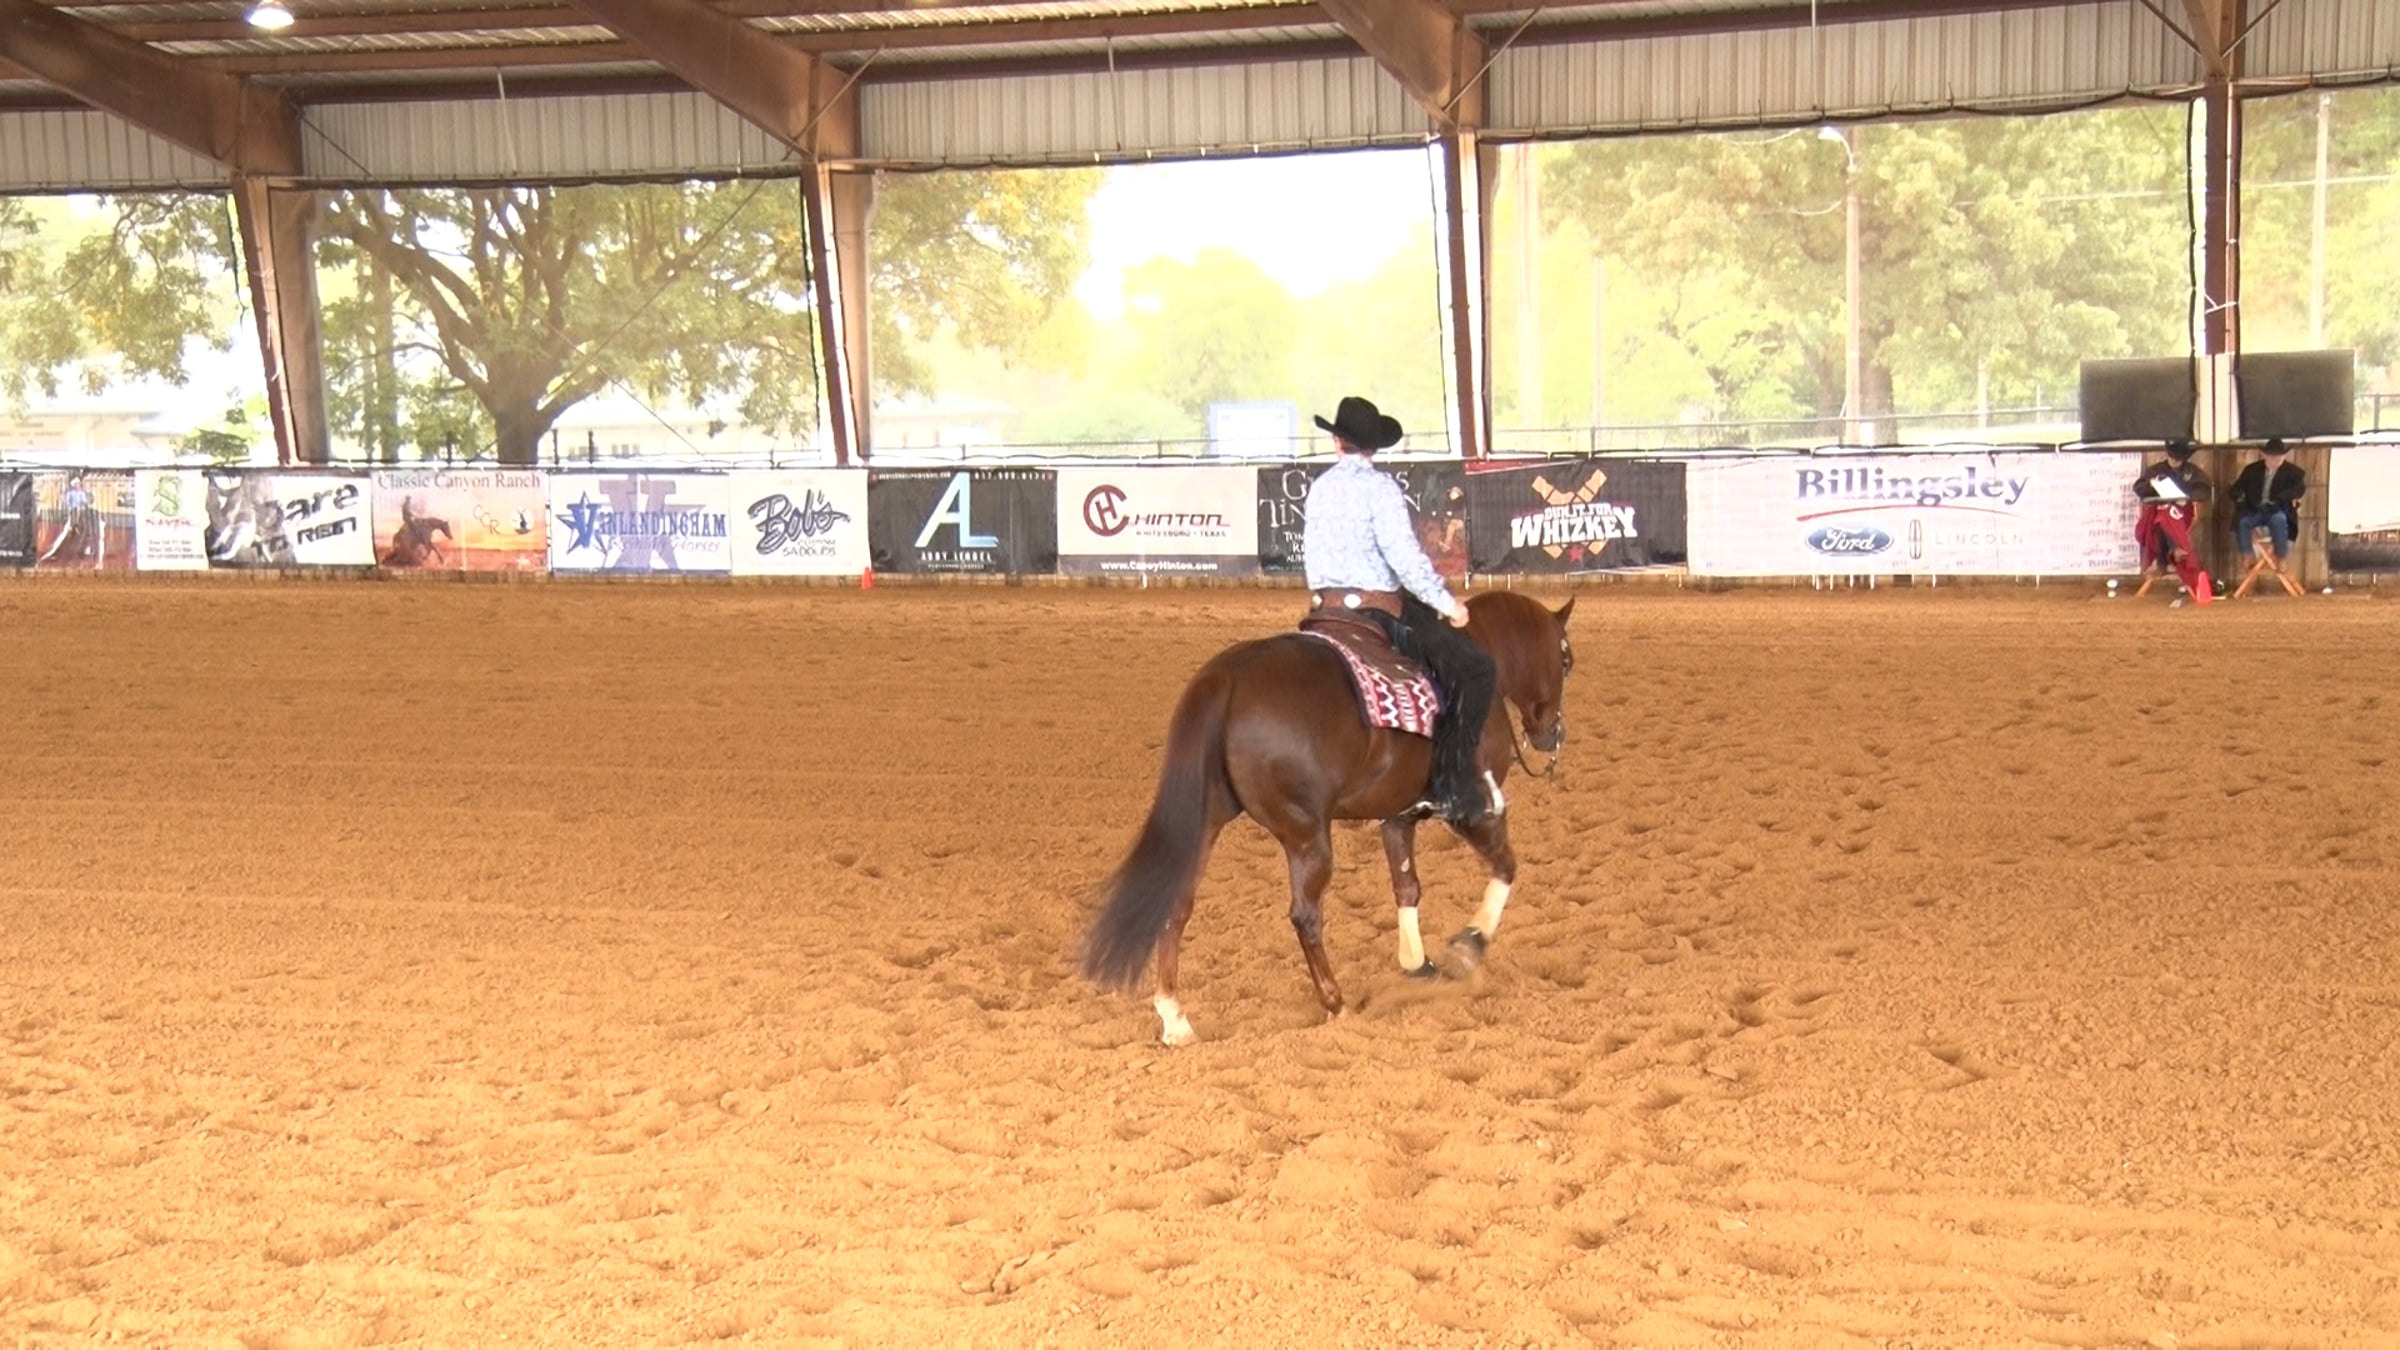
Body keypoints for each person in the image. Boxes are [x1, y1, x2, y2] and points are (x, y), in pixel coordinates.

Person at [1302, 395, 1498, 825]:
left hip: (1322, 611)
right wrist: (1447, 604)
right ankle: (1451, 787)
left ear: (1337, 441)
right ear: (1374, 447)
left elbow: (1312, 558)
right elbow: (1405, 560)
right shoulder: (1381, 489)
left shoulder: (1320, 488)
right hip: (1375, 612)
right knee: (1477, 669)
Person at [2133, 438, 2214, 606]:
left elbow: (2204, 489)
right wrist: (2153, 486)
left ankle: (2161, 561)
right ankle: (2175, 549)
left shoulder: (2192, 472)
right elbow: (2139, 488)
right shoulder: (2156, 470)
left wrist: (2186, 498)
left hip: (2182, 515)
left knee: (2164, 517)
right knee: (2162, 515)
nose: (2176, 460)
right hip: (2159, 513)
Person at [2230, 438, 2305, 564]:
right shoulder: (2251, 470)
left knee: (2280, 520)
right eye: (2271, 457)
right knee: (2243, 522)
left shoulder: (2294, 473)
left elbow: (2299, 490)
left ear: (2284, 456)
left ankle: (2281, 557)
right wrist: (2241, 498)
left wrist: (2283, 497)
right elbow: (2236, 489)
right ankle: (2247, 556)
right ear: (2264, 455)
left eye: (2279, 457)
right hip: (2254, 509)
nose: (2275, 460)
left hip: (2277, 508)